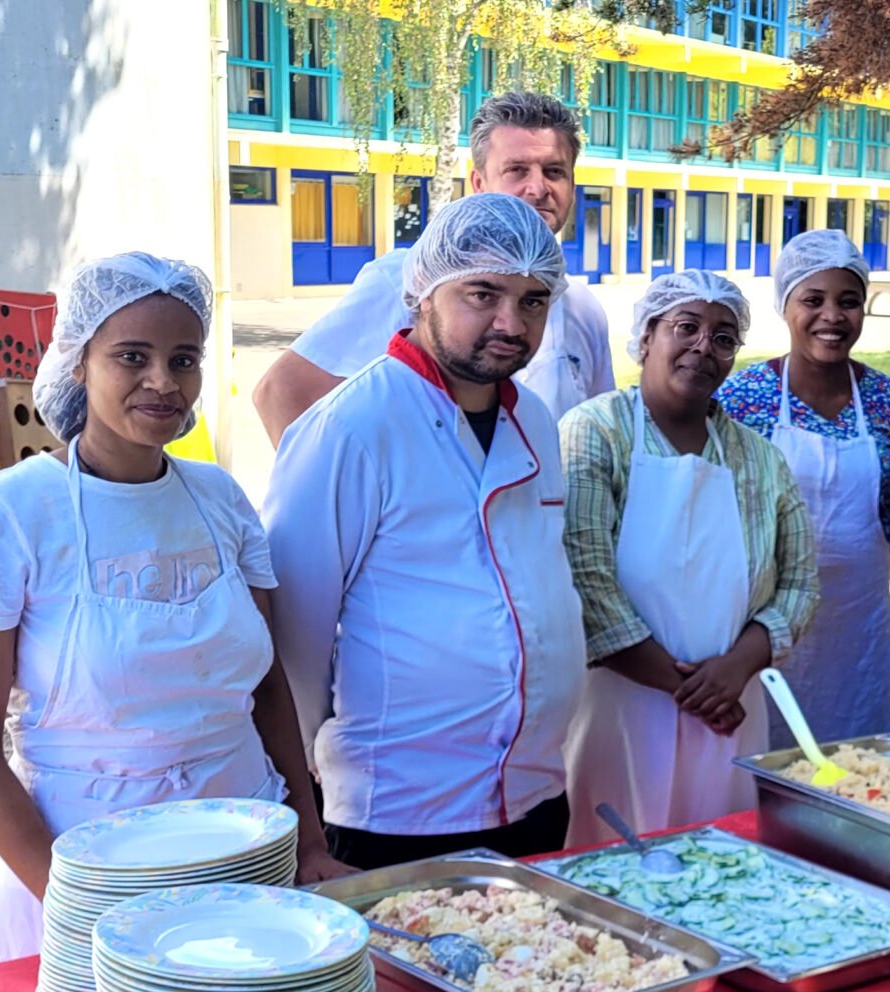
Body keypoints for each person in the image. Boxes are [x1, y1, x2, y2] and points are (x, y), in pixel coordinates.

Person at [0, 253, 347, 967]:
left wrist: (307, 838)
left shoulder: (221, 501)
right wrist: (70, 897)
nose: (162, 381)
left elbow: (267, 685)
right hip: (87, 861)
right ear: (77, 363)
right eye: (131, 356)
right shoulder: (9, 514)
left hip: (244, 843)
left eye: (184, 359)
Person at [261, 194, 587, 870]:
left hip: (535, 796)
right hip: (402, 813)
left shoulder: (537, 423)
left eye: (533, 300)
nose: (510, 321)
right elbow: (295, 640)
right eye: (484, 292)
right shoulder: (351, 428)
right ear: (423, 293)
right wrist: (308, 806)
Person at [560, 270, 816, 847]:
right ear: (647, 335)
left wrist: (734, 670)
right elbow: (584, 576)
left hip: (732, 713)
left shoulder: (759, 459)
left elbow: (801, 583)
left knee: (721, 873)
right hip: (621, 709)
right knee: (614, 875)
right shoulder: (595, 434)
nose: (705, 347)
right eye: (686, 327)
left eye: (724, 338)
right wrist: (691, 691)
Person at [253, 91, 614, 441]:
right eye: (516, 170)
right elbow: (282, 393)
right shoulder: (406, 279)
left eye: (554, 171)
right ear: (479, 183)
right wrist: (336, 494)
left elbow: (597, 431)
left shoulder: (583, 309)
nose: (537, 187)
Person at [717, 230, 890, 744]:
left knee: (858, 760)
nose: (832, 316)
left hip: (858, 627)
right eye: (813, 299)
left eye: (848, 301)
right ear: (785, 306)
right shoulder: (740, 400)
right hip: (759, 629)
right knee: (763, 759)